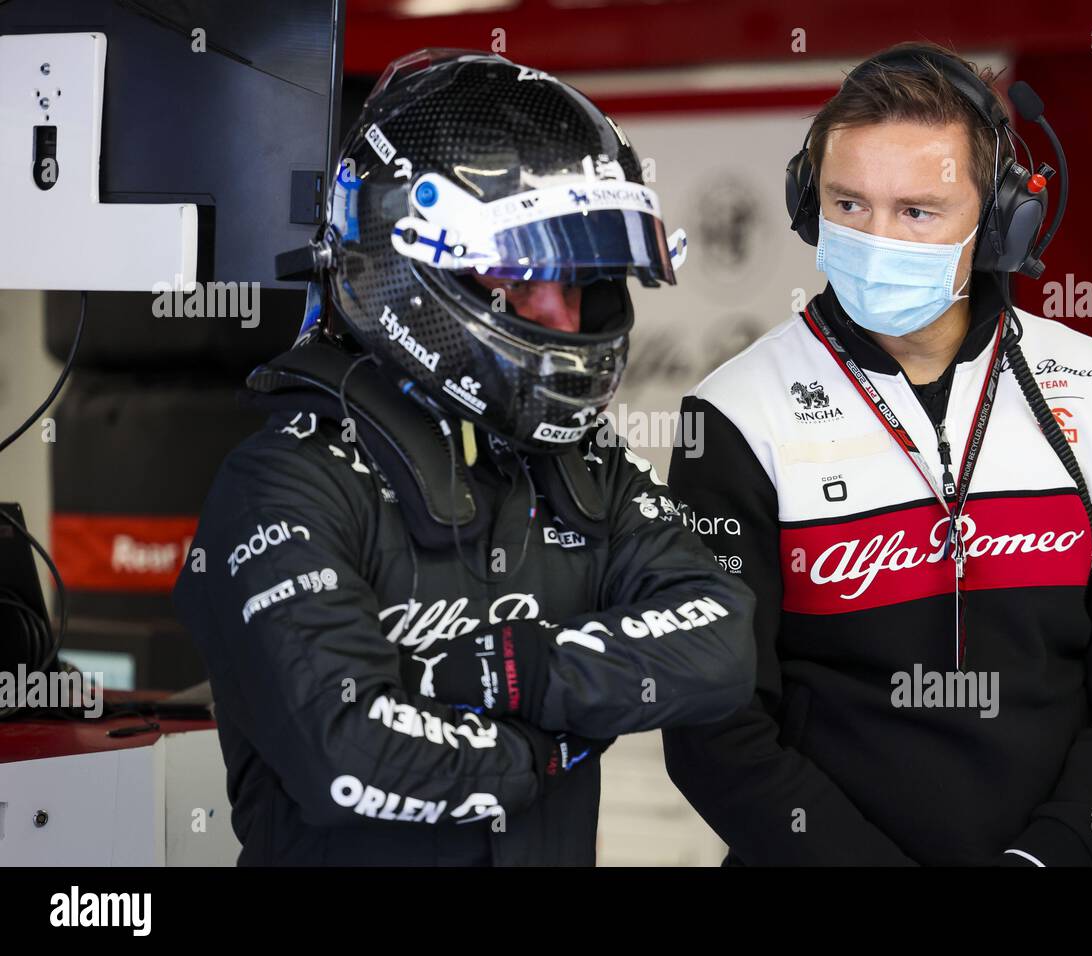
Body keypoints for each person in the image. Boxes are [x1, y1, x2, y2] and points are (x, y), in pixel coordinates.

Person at [172, 49, 755, 866]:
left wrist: (512, 674)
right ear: (408, 270)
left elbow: (722, 645)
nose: (561, 313)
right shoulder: (283, 482)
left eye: (582, 277)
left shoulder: (581, 462)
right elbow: (348, 754)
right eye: (520, 276)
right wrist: (548, 751)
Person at [662, 42, 1092, 866]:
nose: (876, 237)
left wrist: (1048, 856)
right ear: (810, 204)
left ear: (999, 225)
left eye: (917, 211)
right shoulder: (737, 411)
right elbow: (713, 725)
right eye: (849, 205)